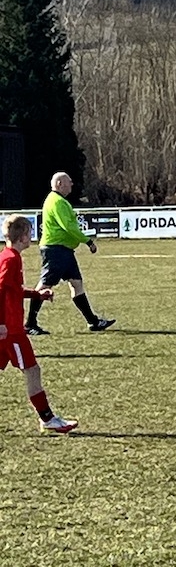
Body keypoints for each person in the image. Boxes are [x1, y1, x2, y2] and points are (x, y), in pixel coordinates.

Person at [1, 215, 77, 434]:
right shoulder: (11, 259)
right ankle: (48, 418)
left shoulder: (9, 256)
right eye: (30, 232)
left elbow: (13, 290)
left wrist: (37, 294)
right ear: (23, 236)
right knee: (32, 370)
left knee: (31, 370)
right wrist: (1, 323)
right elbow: (0, 290)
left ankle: (48, 418)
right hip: (11, 331)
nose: (32, 236)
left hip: (9, 328)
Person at [25, 172, 114, 335]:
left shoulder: (58, 200)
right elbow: (68, 226)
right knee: (45, 284)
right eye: (69, 182)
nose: (72, 184)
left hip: (64, 250)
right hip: (55, 249)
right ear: (60, 184)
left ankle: (93, 322)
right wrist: (87, 241)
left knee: (76, 283)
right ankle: (30, 323)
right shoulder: (57, 201)